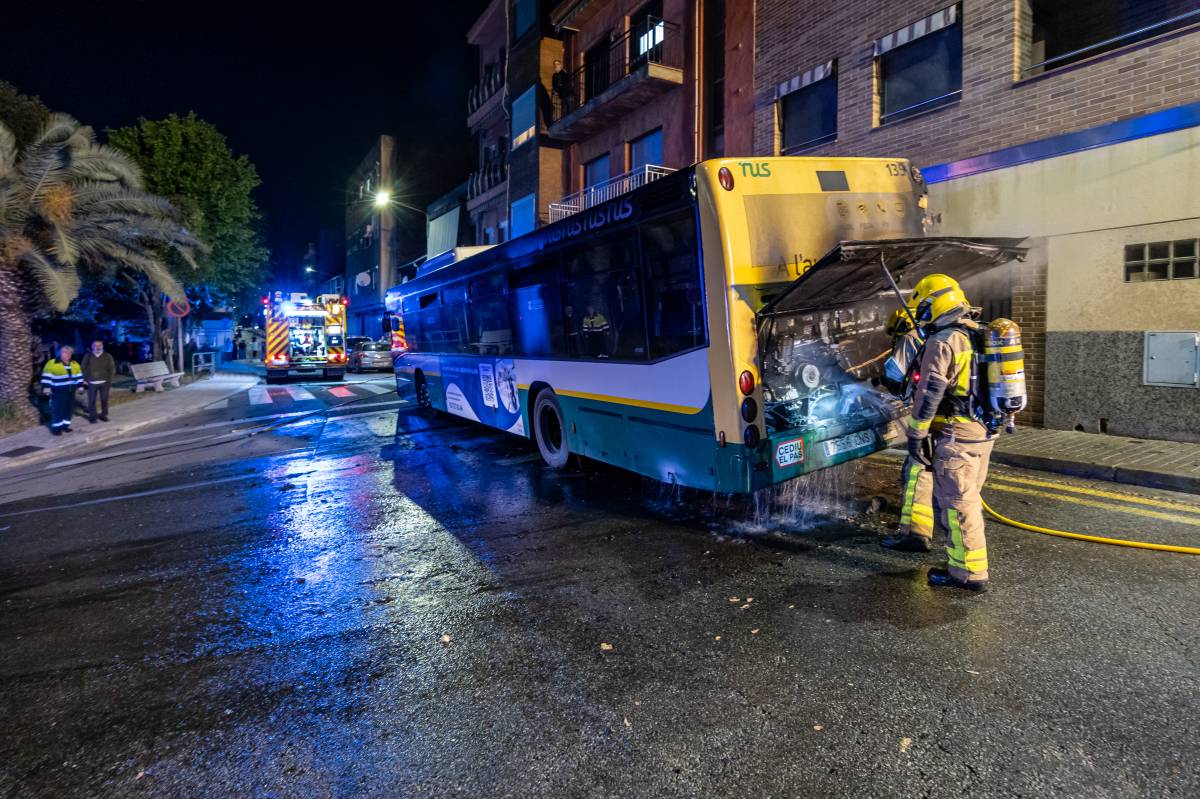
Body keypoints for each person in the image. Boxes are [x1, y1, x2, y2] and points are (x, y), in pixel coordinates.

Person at [904, 274, 994, 592]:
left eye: (924, 308)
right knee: (967, 497)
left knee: (957, 503)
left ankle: (968, 573)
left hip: (957, 434)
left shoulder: (943, 340)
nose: (922, 316)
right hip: (981, 429)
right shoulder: (976, 334)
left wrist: (916, 434)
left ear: (935, 303)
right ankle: (965, 565)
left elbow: (930, 391)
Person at [879, 309, 935, 552]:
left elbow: (894, 375)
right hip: (957, 420)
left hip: (929, 417)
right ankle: (931, 526)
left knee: (917, 472)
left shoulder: (912, 337)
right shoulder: (944, 335)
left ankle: (916, 533)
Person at [41, 345, 83, 435]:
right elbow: (46, 377)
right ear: (61, 353)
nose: (68, 354)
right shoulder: (52, 363)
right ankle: (56, 429)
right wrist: (46, 388)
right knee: (57, 410)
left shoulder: (75, 364)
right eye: (65, 352)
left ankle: (65, 426)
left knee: (69, 410)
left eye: (70, 353)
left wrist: (80, 386)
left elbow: (79, 376)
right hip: (58, 392)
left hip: (71, 392)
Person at [81, 340, 117, 423]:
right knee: (92, 400)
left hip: (104, 382)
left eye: (99, 345)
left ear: (102, 346)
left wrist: (109, 380)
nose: (97, 347)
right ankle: (92, 417)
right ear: (92, 347)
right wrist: (85, 379)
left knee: (104, 400)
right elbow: (83, 368)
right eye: (95, 345)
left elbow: (112, 369)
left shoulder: (107, 356)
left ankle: (104, 415)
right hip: (92, 383)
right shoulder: (88, 356)